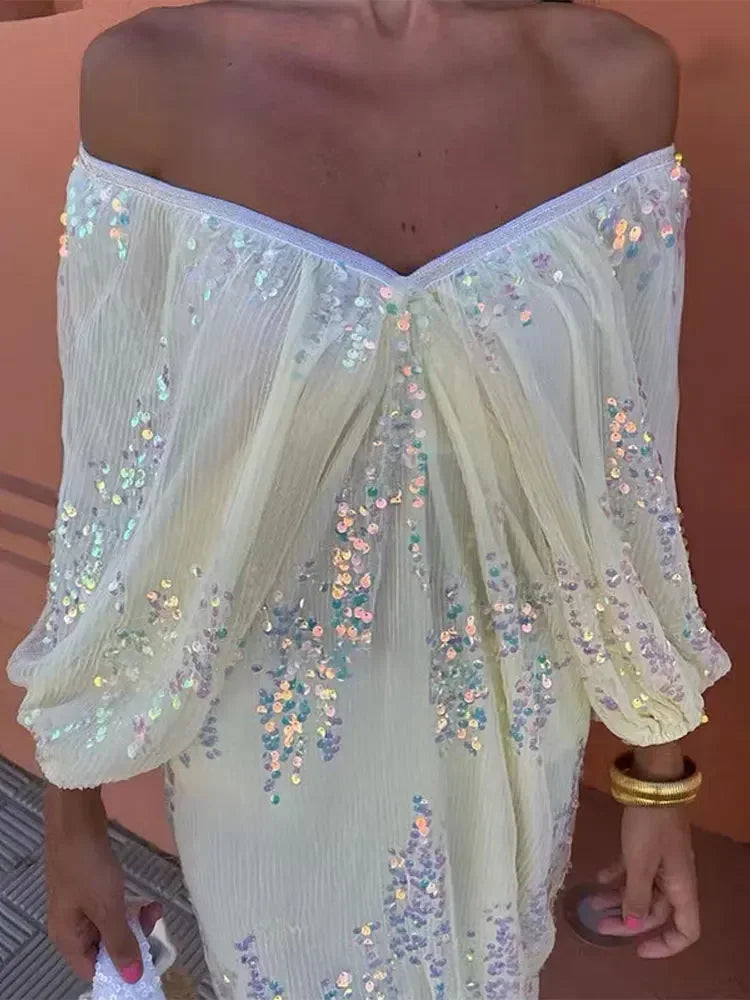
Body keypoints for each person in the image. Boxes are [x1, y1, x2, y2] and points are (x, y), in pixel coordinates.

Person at [8, 0, 731, 997]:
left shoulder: (616, 79)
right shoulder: (147, 78)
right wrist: (71, 810)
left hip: (510, 726)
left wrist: (660, 779)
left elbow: (627, 472)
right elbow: (112, 485)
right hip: (261, 744)